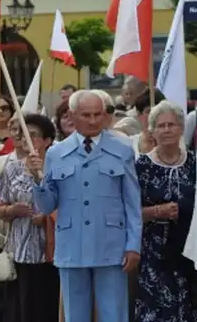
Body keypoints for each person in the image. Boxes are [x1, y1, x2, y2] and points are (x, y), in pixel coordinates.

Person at [31, 89, 142, 322]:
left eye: (97, 114)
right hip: (73, 245)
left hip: (111, 245)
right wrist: (37, 179)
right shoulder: (56, 153)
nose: (93, 121)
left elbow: (132, 203)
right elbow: (48, 204)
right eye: (86, 115)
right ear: (72, 115)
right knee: (75, 316)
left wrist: (133, 245)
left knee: (114, 314)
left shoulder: (122, 150)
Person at [134, 101, 197, 322]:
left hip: (195, 254)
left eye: (172, 125)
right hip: (156, 256)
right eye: (161, 125)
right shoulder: (141, 166)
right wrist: (156, 211)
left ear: (181, 128)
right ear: (152, 131)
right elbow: (128, 213)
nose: (166, 130)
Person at [0, 114, 60, 322]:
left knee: (49, 305)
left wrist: (46, 216)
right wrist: (13, 210)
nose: (26, 138)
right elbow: (1, 208)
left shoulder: (57, 167)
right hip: (23, 250)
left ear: (47, 141)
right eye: (23, 133)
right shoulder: (12, 168)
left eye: (33, 135)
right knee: (25, 307)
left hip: (52, 250)